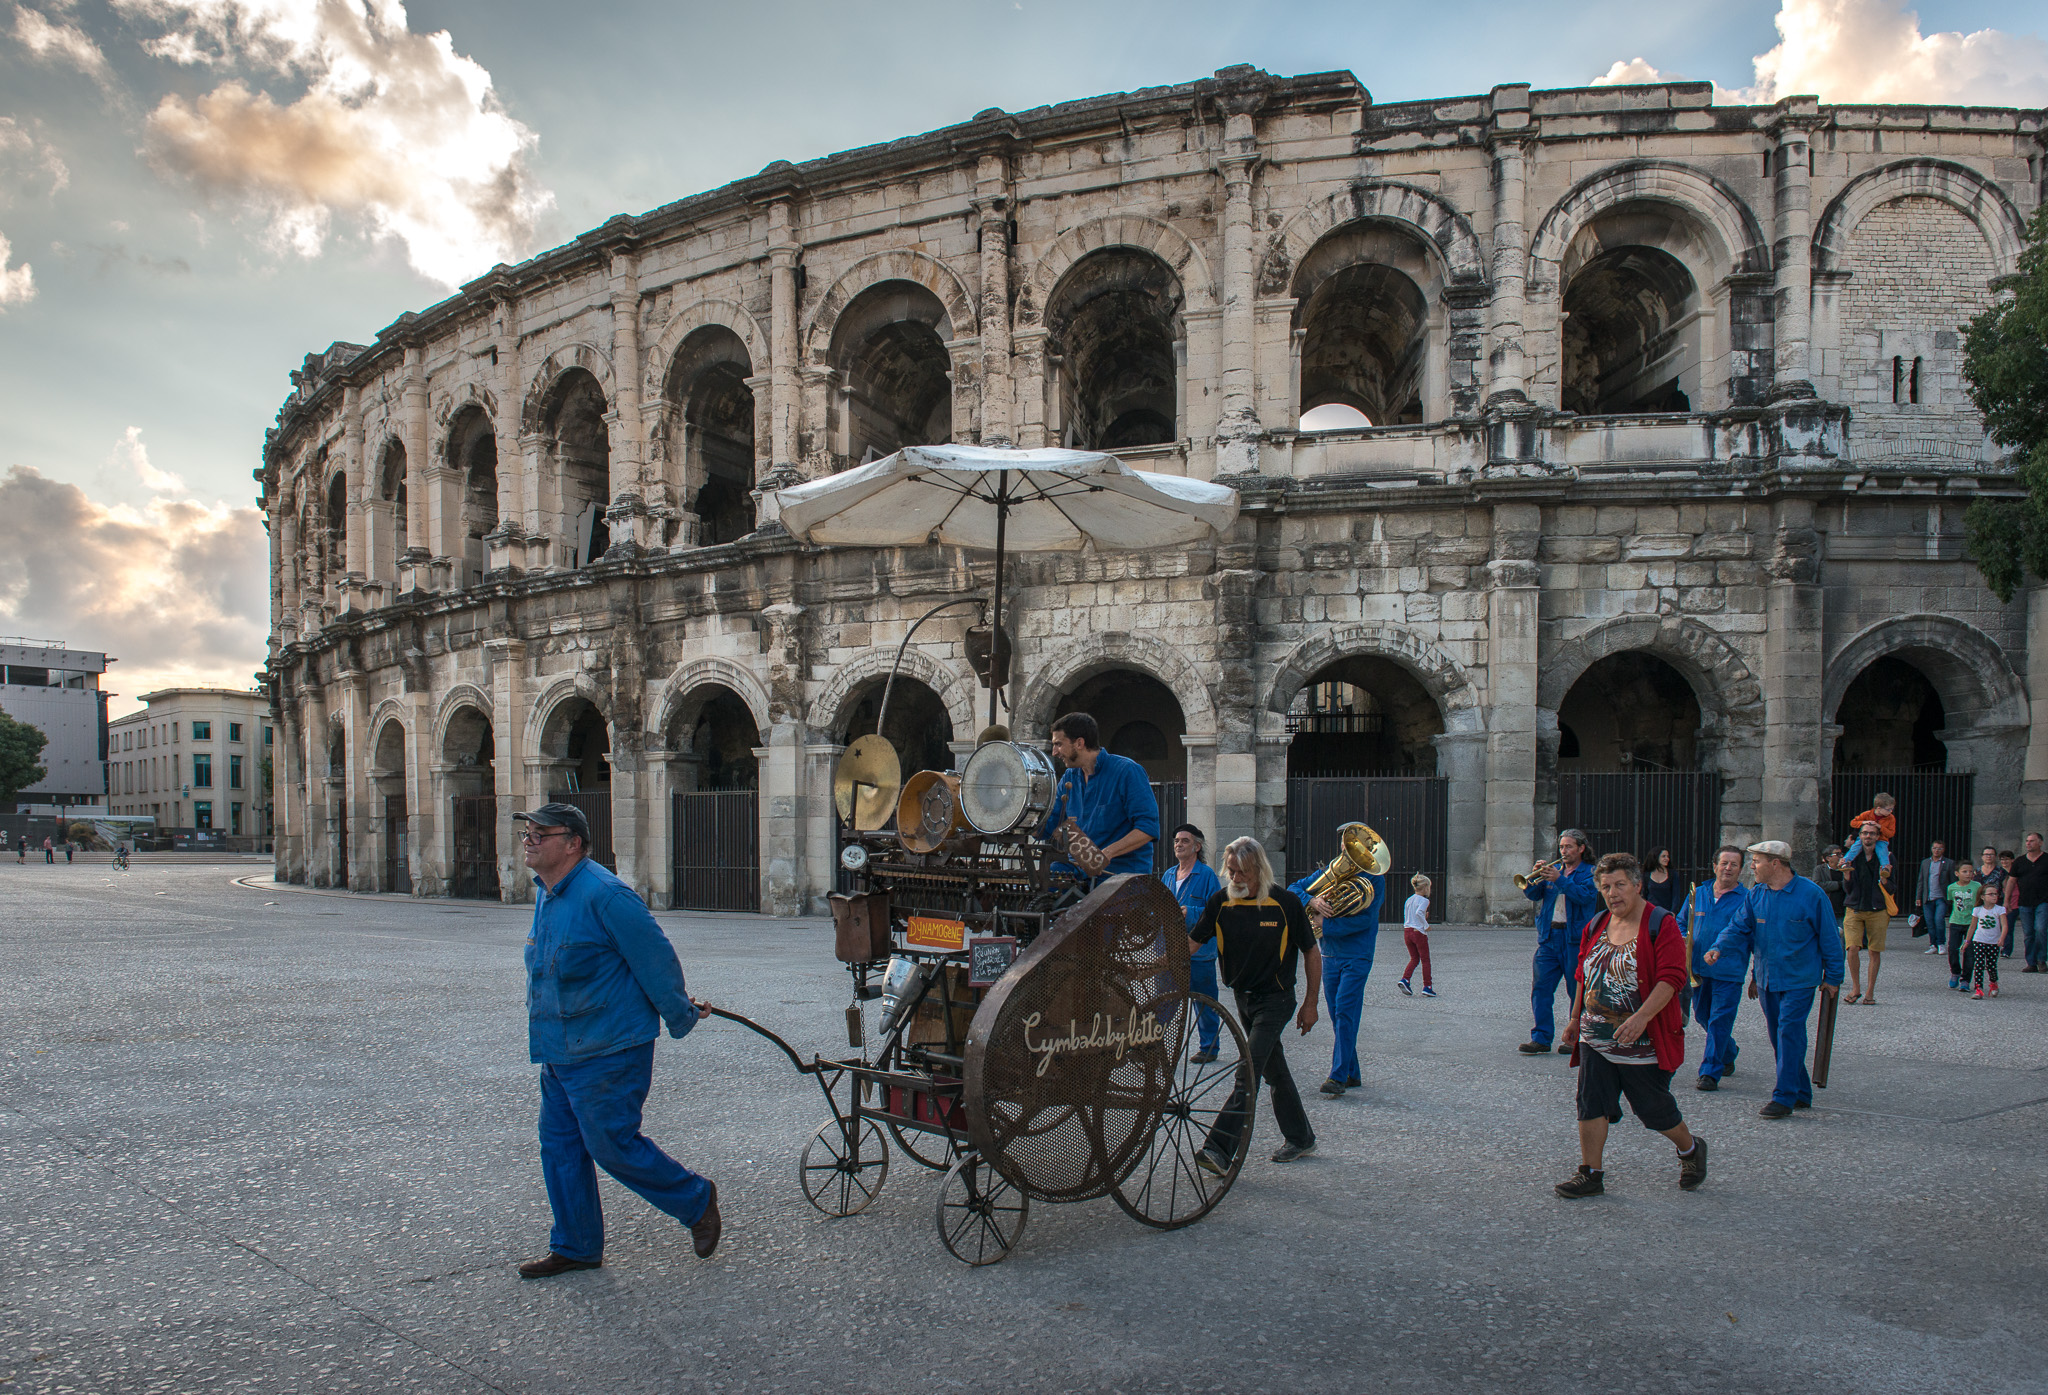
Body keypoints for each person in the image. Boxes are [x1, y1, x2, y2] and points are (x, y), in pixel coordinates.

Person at [515, 801, 720, 1279]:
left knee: (611, 1144)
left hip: (609, 1048)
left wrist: (680, 1013)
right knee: (560, 1147)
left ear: (574, 843)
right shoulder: (548, 893)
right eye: (527, 833)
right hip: (560, 1048)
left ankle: (695, 1198)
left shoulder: (606, 896)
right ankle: (576, 1245)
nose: (529, 840)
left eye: (541, 834)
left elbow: (655, 959)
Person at [1554, 853, 1705, 1199]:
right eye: (1605, 886)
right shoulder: (1596, 924)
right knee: (1590, 1103)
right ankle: (1591, 1173)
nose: (1612, 893)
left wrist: (1642, 1018)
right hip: (1595, 1037)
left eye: (1620, 884)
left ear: (1638, 885)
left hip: (1642, 1040)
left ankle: (1690, 1149)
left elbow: (1672, 978)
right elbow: (1582, 974)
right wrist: (1575, 1018)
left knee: (1653, 1110)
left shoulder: (1660, 923)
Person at [1191, 837, 1320, 1168]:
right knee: (1274, 1070)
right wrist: (1156, 962)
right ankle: (1301, 1138)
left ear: (1259, 870)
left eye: (1242, 873)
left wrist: (1311, 1004)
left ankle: (1219, 1149)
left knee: (1247, 1070)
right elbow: (1192, 943)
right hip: (1242, 999)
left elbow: (1311, 951)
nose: (1235, 879)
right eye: (1230, 871)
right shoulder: (1220, 902)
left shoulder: (1285, 903)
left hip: (1276, 1000)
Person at [1704, 840, 1844, 1119]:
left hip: (1799, 980)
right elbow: (1738, 927)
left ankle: (1783, 1097)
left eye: (1756, 861)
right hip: (1768, 979)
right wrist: (1718, 946)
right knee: (1778, 1037)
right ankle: (1801, 1090)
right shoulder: (1757, 894)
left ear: (1775, 863)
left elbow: (1830, 938)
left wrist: (1834, 977)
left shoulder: (1812, 895)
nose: (1752, 867)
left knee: (1789, 1032)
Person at [1289, 832, 1385, 1096]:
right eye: (1344, 844)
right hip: (1330, 954)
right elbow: (1293, 889)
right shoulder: (1332, 871)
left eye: (1351, 845)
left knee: (1344, 1010)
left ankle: (1337, 1076)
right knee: (1337, 1013)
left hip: (1358, 954)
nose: (1345, 849)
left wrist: (1326, 923)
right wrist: (1312, 900)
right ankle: (1352, 1072)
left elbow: (1366, 920)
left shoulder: (1375, 879)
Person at [1038, 712, 1160, 882]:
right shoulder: (1069, 777)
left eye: (1058, 744)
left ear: (1079, 743)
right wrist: (1017, 819)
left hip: (1122, 878)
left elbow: (1148, 828)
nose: (1054, 752)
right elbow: (1050, 824)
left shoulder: (1127, 771)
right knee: (1044, 880)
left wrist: (1107, 854)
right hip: (1081, 872)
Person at [1519, 830, 1599, 1055]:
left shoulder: (1590, 872)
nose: (1564, 851)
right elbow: (1534, 895)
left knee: (1577, 990)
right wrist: (1533, 879)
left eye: (1569, 847)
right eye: (1562, 847)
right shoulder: (1556, 871)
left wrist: (1559, 879)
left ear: (1581, 848)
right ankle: (1541, 1038)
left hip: (1574, 939)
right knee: (1541, 988)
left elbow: (1584, 896)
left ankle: (1577, 1039)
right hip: (1549, 937)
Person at [1682, 847, 1750, 1091]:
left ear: (1740, 870)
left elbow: (1754, 937)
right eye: (1724, 863)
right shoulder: (1698, 893)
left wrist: (1755, 976)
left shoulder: (1747, 898)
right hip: (1698, 969)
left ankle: (1709, 1073)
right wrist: (1681, 938)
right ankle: (1728, 1052)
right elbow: (1681, 922)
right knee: (1703, 1016)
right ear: (1714, 866)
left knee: (1720, 1019)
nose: (1728, 868)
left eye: (1734, 864)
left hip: (1729, 971)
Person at [1160, 822, 1224, 1064]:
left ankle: (1209, 1047)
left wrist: (1192, 912)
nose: (1179, 844)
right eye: (1176, 841)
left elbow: (1217, 911)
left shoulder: (1207, 876)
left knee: (1204, 1002)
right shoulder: (1168, 875)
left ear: (1197, 847)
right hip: (1170, 950)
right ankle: (1156, 1046)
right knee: (1163, 1001)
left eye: (1185, 841)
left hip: (1200, 953)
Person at [1839, 822, 1889, 1005]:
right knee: (1852, 947)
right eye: (1865, 833)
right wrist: (1846, 877)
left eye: (1872, 833)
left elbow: (1893, 887)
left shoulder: (1887, 857)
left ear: (1877, 837)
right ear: (1859, 836)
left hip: (1877, 909)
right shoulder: (1853, 857)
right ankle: (1856, 988)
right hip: (1854, 908)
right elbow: (1848, 889)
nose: (1868, 836)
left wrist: (1885, 880)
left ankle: (1870, 992)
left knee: (1874, 951)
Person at [2010, 833, 2048, 972]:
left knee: (2041, 929)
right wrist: (2007, 901)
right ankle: (2031, 962)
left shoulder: (2046, 859)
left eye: (2032, 841)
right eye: (2027, 841)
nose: (2028, 843)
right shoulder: (2019, 861)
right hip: (2024, 902)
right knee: (2028, 933)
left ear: (2040, 843)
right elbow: (2011, 881)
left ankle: (2041, 959)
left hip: (2043, 901)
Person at [1966, 881, 2007, 999]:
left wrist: (2002, 938)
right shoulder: (1977, 910)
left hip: (1993, 942)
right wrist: (1967, 941)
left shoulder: (2000, 910)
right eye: (1991, 894)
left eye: (1996, 894)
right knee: (1979, 964)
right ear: (1983, 897)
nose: (1994, 896)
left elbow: (2004, 925)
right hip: (1979, 940)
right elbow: (1972, 926)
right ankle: (1978, 988)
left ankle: (1993, 983)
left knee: (1991, 965)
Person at [1944, 862, 1979, 991]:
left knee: (1969, 953)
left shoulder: (1977, 886)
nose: (1968, 874)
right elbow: (1950, 902)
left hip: (1971, 923)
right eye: (1964, 871)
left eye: (1970, 871)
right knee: (1953, 949)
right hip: (1956, 921)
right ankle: (1955, 972)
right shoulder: (1951, 888)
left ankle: (1965, 980)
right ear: (1957, 873)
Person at [1914, 841, 1954, 955]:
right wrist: (1918, 896)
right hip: (1928, 897)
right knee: (1929, 922)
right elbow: (1921, 880)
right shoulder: (1926, 862)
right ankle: (1933, 944)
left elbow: (1952, 881)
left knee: (1939, 920)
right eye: (1935, 848)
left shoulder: (1949, 863)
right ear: (1931, 849)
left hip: (1941, 897)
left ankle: (1941, 943)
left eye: (1939, 848)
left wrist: (1952, 897)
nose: (1937, 850)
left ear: (1943, 850)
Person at [1398, 873, 1434, 998]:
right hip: (1418, 932)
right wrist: (1426, 925)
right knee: (1425, 960)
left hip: (1407, 931)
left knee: (1414, 958)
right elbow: (1419, 913)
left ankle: (1405, 979)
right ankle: (1427, 986)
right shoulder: (1424, 900)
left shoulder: (1409, 900)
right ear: (1426, 888)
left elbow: (1409, 915)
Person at [1844, 792, 1897, 868]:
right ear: (1879, 808)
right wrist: (1863, 822)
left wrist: (1880, 827)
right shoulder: (1867, 814)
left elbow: (1891, 833)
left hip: (1881, 839)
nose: (1891, 811)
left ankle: (1885, 868)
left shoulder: (1891, 818)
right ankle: (1845, 862)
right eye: (1888, 809)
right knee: (1855, 848)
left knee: (1883, 852)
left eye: (1892, 809)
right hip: (1864, 838)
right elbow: (1853, 823)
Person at [1814, 845, 1847, 927]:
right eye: (1837, 854)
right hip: (1827, 909)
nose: (1841, 856)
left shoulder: (1845, 869)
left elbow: (1849, 885)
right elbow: (1817, 885)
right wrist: (1839, 884)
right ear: (1828, 858)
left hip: (1842, 910)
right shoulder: (1820, 869)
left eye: (1841, 854)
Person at [1642, 848, 1680, 915]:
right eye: (1663, 856)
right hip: (1651, 912)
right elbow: (1644, 895)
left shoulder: (1672, 874)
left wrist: (1673, 911)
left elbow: (1676, 896)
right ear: (1656, 857)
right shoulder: (1646, 875)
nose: (1667, 859)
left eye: (1667, 856)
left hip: (1667, 913)